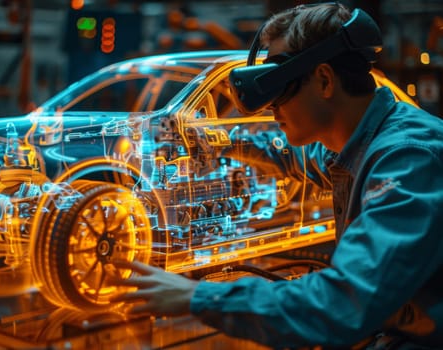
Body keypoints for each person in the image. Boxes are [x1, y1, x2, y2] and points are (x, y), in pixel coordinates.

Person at [110, 3, 443, 349]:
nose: (270, 104)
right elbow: (287, 155)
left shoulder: (408, 160)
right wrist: (218, 141)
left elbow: (343, 304)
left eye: (279, 86)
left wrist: (197, 296)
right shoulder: (355, 142)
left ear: (325, 80)